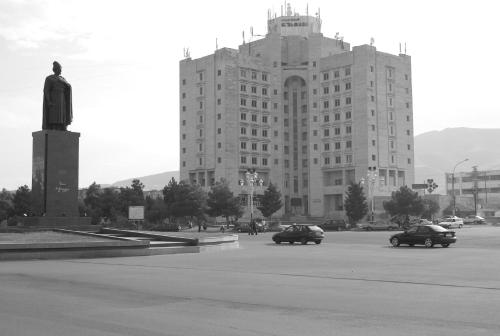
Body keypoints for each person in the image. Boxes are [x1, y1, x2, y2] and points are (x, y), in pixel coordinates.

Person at [43, 61, 73, 131]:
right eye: (59, 69)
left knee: (63, 113)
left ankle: (63, 126)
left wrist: (68, 86)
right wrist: (49, 101)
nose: (61, 71)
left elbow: (67, 87)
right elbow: (46, 90)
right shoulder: (49, 78)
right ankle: (53, 127)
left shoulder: (63, 79)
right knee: (54, 114)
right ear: (55, 69)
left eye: (61, 69)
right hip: (54, 98)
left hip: (62, 98)